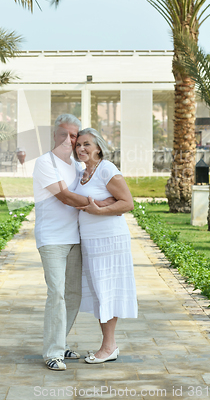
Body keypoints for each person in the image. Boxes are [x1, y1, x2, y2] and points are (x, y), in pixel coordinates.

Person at [32, 114, 116, 371]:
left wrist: (112, 198)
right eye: (63, 135)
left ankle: (59, 342)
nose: (69, 140)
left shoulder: (78, 167)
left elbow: (100, 184)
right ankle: (53, 352)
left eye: (73, 136)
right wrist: (103, 204)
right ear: (54, 136)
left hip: (76, 238)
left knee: (73, 295)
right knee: (56, 293)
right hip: (52, 239)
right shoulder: (45, 163)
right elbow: (66, 197)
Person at [73, 128, 138, 364]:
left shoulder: (107, 168)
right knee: (100, 292)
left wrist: (99, 210)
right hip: (91, 241)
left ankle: (108, 346)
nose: (81, 149)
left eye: (86, 144)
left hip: (109, 240)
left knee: (106, 291)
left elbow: (127, 203)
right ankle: (108, 345)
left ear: (98, 147)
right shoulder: (81, 173)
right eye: (78, 145)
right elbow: (82, 201)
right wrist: (99, 203)